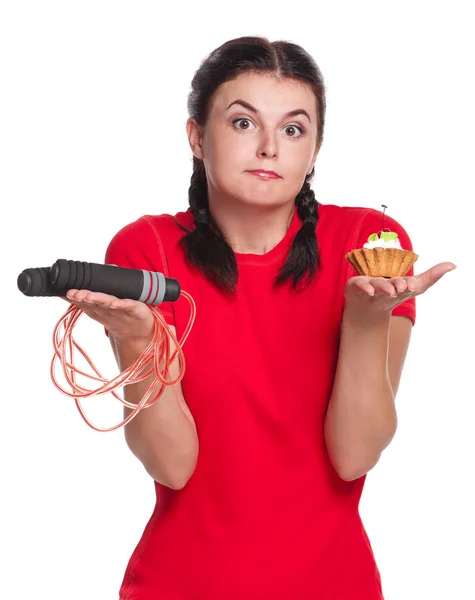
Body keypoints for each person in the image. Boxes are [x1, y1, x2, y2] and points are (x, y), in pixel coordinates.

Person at [64, 36, 455, 600]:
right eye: (243, 123)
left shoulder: (366, 246)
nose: (270, 147)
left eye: (294, 129)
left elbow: (355, 456)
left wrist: (366, 321)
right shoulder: (147, 249)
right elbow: (172, 467)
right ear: (197, 136)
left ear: (315, 149)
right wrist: (139, 342)